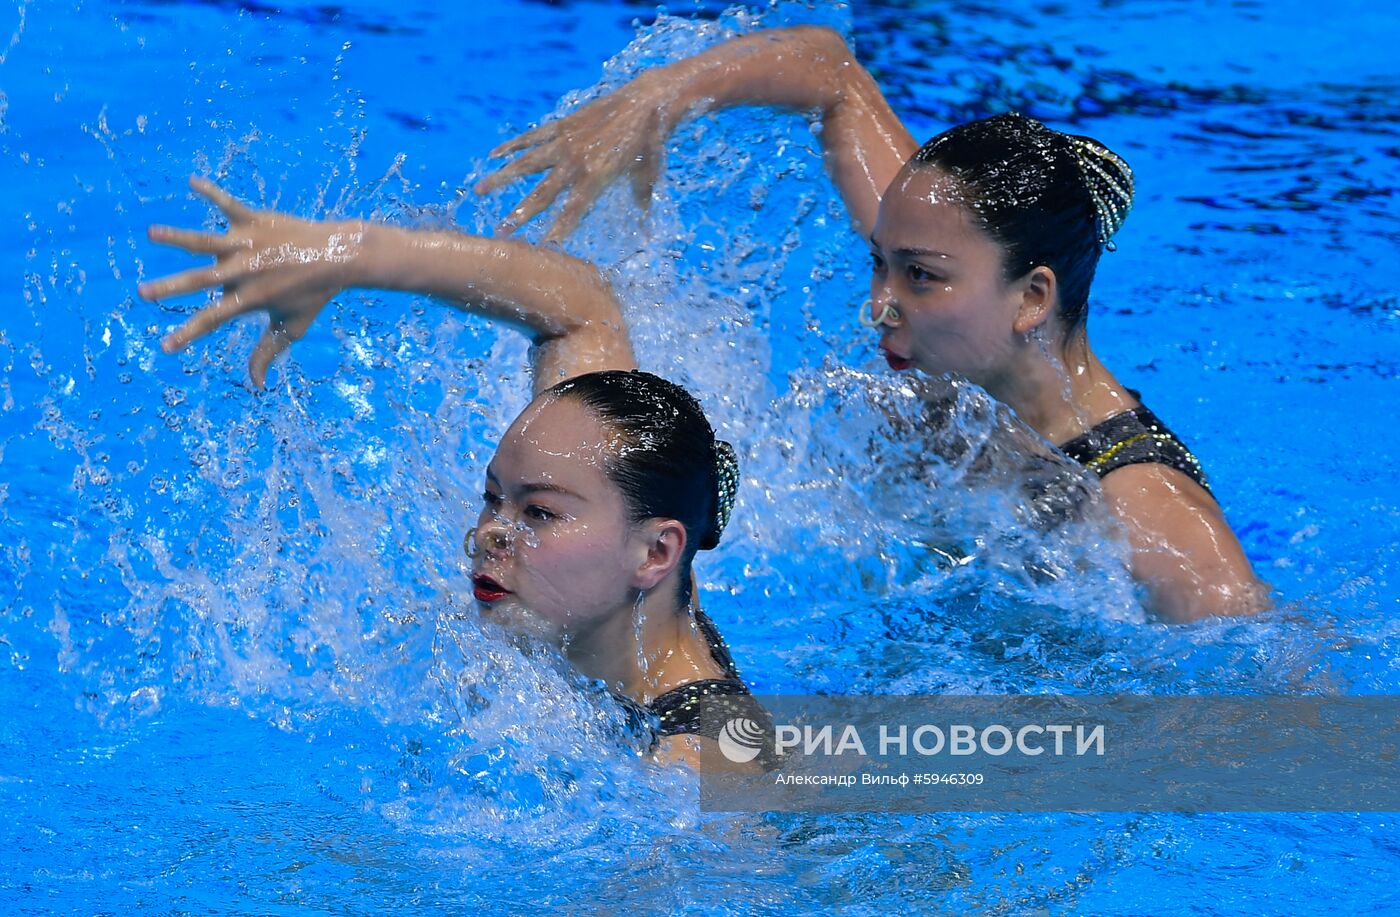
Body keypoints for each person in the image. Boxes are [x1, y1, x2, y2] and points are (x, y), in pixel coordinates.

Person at [474, 26, 1267, 623]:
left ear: (1032, 297)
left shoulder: (1142, 510)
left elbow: (1279, 707)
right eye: (877, 262)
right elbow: (832, 73)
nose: (880, 304)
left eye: (919, 277)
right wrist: (655, 100)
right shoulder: (947, 260)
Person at [138, 176, 769, 771]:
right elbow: (582, 308)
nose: (489, 535)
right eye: (494, 499)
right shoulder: (624, 580)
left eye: (540, 513)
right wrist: (348, 256)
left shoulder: (700, 759)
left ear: (656, 551)